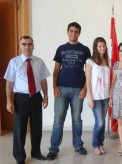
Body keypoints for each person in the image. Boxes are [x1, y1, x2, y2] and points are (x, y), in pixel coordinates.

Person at [47, 22, 91, 160]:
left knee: (77, 119)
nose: (73, 33)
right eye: (71, 31)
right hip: (61, 89)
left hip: (78, 89)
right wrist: (54, 87)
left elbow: (89, 71)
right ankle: (53, 149)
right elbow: (56, 70)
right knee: (58, 120)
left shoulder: (85, 50)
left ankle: (78, 145)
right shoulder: (61, 49)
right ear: (67, 31)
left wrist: (85, 89)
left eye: (76, 31)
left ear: (79, 33)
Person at [4, 36, 50, 164]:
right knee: (20, 130)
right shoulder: (14, 62)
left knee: (37, 128)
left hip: (36, 98)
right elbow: (9, 83)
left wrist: (45, 96)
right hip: (21, 100)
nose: (27, 47)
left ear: (33, 46)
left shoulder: (39, 62)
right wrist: (9, 101)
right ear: (20, 46)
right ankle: (19, 157)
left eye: (30, 44)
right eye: (24, 44)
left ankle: (36, 152)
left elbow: (43, 80)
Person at [85, 37, 110, 155]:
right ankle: (95, 145)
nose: (102, 48)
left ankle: (101, 144)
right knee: (99, 122)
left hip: (105, 96)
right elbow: (88, 80)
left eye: (104, 46)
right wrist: (90, 97)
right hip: (95, 96)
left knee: (103, 121)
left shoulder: (107, 61)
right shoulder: (90, 61)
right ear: (95, 47)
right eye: (100, 46)